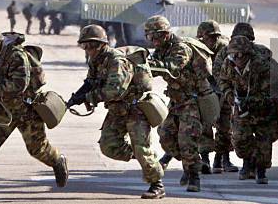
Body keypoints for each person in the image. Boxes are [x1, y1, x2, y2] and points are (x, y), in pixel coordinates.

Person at [0, 23, 68, 200]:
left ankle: (57, 161)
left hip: (28, 109)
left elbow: (19, 85)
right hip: (4, 108)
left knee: (37, 149)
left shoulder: (16, 55)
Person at [67, 25, 166, 199]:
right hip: (117, 109)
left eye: (91, 45)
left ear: (102, 44)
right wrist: (77, 97)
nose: (88, 50)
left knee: (141, 147)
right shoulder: (96, 61)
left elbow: (115, 90)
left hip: (135, 109)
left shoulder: (117, 61)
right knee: (108, 146)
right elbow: (90, 82)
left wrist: (89, 98)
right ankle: (148, 160)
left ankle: (157, 184)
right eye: (84, 46)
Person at [145, 15, 212, 193]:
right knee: (165, 136)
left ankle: (194, 176)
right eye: (150, 37)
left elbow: (172, 67)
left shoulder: (181, 48)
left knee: (187, 141)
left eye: (155, 37)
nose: (153, 41)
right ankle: (187, 165)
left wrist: (148, 65)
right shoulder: (162, 49)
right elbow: (153, 69)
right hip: (176, 100)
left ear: (165, 34)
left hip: (192, 101)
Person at [219, 35, 278, 184]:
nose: (236, 58)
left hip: (263, 110)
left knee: (264, 145)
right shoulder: (229, 63)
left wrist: (251, 101)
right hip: (241, 110)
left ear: (247, 54)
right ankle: (247, 163)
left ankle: (260, 170)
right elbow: (223, 81)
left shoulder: (262, 66)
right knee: (240, 141)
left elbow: (270, 91)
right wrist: (230, 96)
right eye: (233, 54)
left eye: (239, 55)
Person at [196, 20, 238, 174]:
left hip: (223, 89)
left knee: (225, 125)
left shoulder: (226, 48)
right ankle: (204, 158)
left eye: (216, 37)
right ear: (201, 37)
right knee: (205, 125)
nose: (213, 40)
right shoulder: (195, 49)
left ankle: (222, 159)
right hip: (204, 90)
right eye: (210, 37)